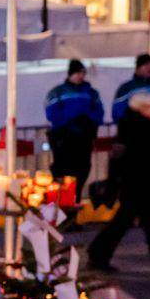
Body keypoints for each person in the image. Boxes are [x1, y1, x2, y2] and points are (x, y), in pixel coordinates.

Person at [86, 89, 150, 275]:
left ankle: (98, 254)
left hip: (136, 182)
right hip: (138, 182)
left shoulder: (133, 125)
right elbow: (135, 156)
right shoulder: (141, 128)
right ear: (144, 108)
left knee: (125, 221)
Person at [44, 59, 104, 196]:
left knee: (82, 170)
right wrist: (72, 117)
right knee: (64, 172)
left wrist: (88, 119)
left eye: (83, 73)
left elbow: (99, 113)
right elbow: (52, 114)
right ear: (71, 73)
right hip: (64, 139)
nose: (81, 76)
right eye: (78, 73)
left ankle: (74, 199)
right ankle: (63, 202)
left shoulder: (91, 93)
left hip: (84, 138)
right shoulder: (58, 92)